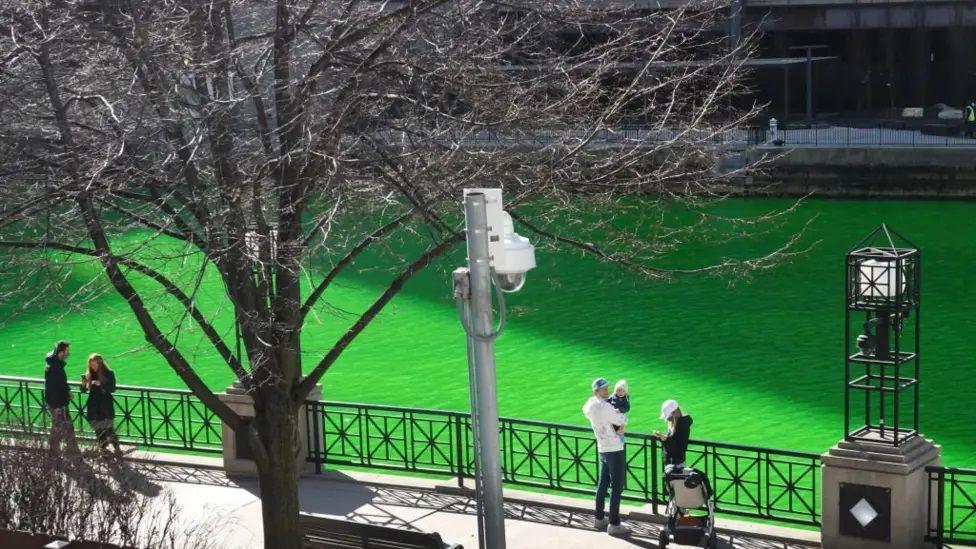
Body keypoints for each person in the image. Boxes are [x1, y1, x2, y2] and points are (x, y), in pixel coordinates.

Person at [582, 377, 630, 536]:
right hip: (615, 448)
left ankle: (599, 518)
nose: (607, 392)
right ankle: (614, 524)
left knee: (602, 484)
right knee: (617, 487)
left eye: (608, 388)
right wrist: (622, 416)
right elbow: (621, 419)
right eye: (604, 389)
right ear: (596, 391)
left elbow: (589, 409)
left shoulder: (590, 405)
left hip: (602, 447)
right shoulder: (604, 407)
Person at [81, 353, 121, 457]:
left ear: (100, 363)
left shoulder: (108, 373)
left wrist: (101, 384)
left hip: (105, 404)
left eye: (94, 364)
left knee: (109, 428)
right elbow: (83, 390)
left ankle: (117, 448)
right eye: (91, 365)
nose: (93, 367)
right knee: (98, 429)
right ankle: (103, 449)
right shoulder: (89, 374)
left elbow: (112, 388)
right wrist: (84, 383)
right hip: (94, 405)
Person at [44, 340, 80, 456]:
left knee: (57, 427)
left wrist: (67, 390)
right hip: (58, 403)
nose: (68, 353)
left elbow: (59, 382)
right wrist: (57, 406)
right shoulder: (55, 367)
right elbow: (56, 386)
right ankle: (71, 451)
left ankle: (56, 451)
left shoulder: (52, 364)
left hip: (55, 402)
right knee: (65, 428)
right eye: (67, 351)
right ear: (61, 352)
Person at [654, 399, 692, 473]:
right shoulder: (673, 422)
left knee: (676, 483)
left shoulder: (682, 425)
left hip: (677, 464)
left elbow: (680, 447)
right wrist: (662, 438)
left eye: (668, 415)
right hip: (670, 462)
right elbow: (672, 440)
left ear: (674, 412)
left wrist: (665, 439)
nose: (668, 418)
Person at [608, 379, 630, 443]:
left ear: (625, 391)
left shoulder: (625, 398)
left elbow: (627, 408)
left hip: (620, 413)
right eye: (619, 390)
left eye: (623, 391)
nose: (620, 392)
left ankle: (621, 429)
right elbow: (607, 401)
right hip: (612, 414)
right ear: (615, 390)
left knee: (622, 418)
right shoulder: (612, 396)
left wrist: (619, 410)